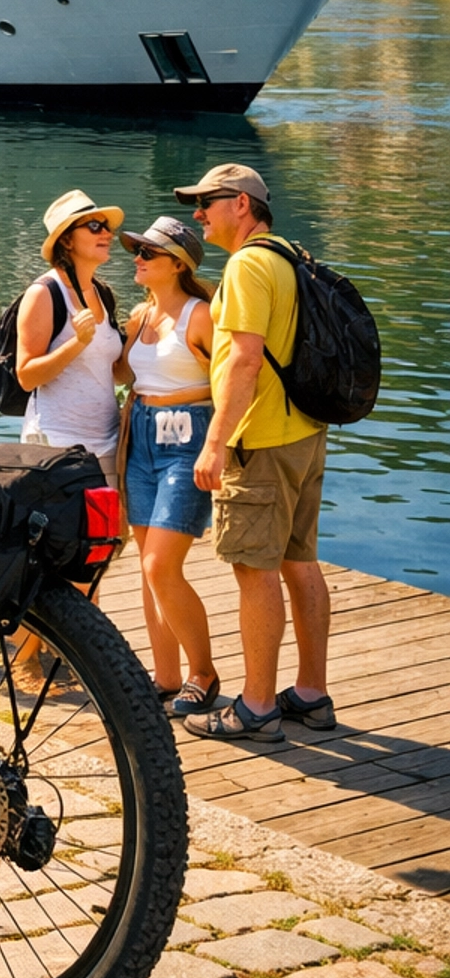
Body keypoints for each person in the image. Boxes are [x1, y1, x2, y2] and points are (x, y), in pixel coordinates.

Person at [175, 162, 335, 744]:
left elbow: (245, 358)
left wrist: (215, 442)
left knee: (254, 570)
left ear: (241, 204)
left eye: (208, 201)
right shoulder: (289, 254)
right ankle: (311, 694)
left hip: (260, 440)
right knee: (300, 561)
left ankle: (257, 708)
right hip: (304, 432)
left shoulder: (246, 265)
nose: (199, 213)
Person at [118, 216, 218, 717]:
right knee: (147, 565)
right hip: (140, 439)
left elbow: (232, 381)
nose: (137, 258)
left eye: (148, 253)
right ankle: (166, 675)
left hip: (187, 438)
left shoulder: (201, 316)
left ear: (178, 265)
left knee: (161, 565)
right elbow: (119, 372)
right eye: (137, 250)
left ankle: (204, 672)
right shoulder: (139, 317)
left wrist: (219, 445)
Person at [16, 190, 125, 482]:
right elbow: (26, 376)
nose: (107, 234)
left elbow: (113, 371)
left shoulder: (102, 293)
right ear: (66, 240)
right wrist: (78, 342)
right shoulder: (44, 294)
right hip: (57, 447)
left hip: (108, 443)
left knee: (110, 515)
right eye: (94, 226)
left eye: (107, 226)